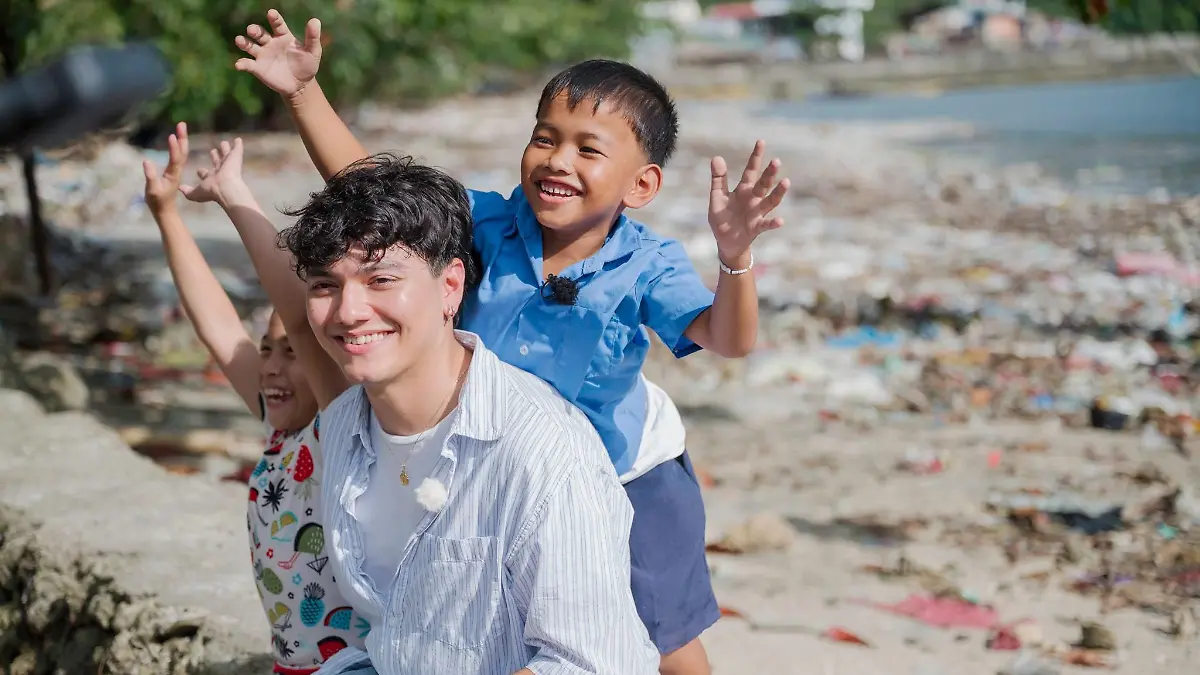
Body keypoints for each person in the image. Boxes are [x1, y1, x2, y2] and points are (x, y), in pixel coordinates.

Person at [232, 10, 791, 674]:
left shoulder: (649, 263)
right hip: (493, 456)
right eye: (544, 138)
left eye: (589, 149)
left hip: (624, 470)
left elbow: (725, 339)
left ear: (642, 185)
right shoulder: (491, 224)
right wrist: (302, 93)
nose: (557, 161)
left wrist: (736, 257)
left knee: (658, 632)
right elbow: (380, 193)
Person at [182, 138, 660, 674]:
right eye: (325, 286)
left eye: (381, 280)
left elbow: (593, 664)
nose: (350, 311)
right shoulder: (341, 427)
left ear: (451, 284)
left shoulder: (541, 452)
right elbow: (397, 636)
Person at [142, 123, 366, 674]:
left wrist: (235, 196)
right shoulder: (281, 426)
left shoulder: (338, 428)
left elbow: (293, 305)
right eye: (266, 350)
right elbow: (218, 327)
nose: (270, 366)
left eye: (293, 352)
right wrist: (168, 214)